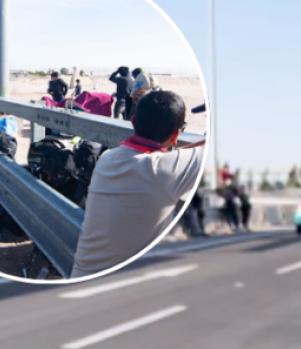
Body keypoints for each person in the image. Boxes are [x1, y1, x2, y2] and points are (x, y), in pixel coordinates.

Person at [70, 90, 205, 278]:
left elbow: (167, 159)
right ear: (176, 135)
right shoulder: (164, 171)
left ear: (133, 122)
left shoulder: (107, 158)